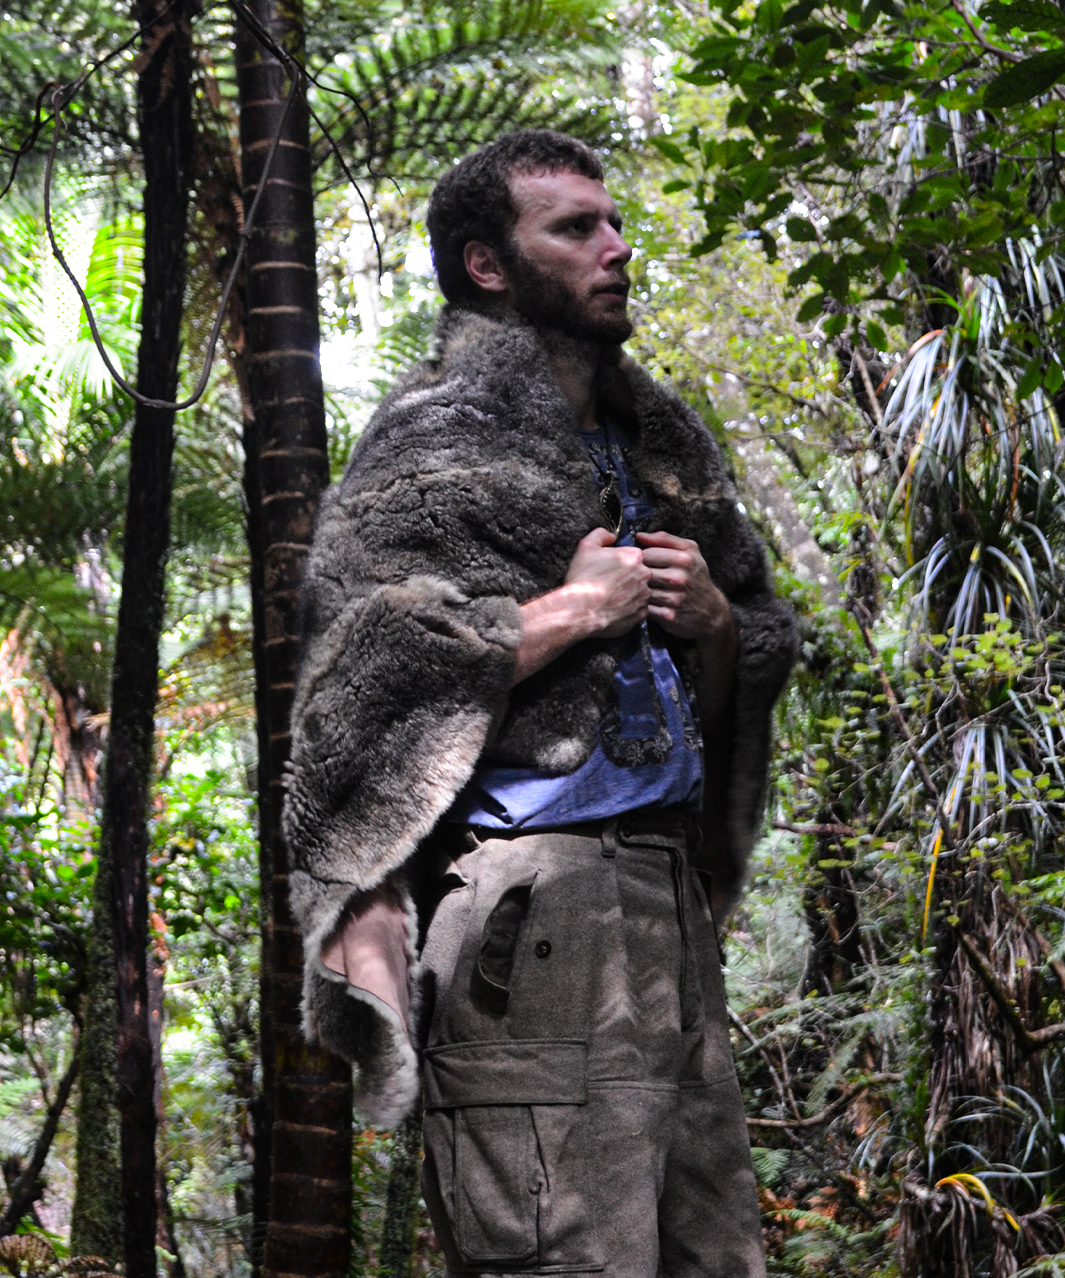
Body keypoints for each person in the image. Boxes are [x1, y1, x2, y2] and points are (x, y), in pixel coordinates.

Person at [282, 129, 797, 1278]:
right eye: (575, 228)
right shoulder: (429, 440)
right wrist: (569, 612)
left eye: (615, 223)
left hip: (666, 899)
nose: (617, 247)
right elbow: (361, 686)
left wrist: (718, 625)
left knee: (716, 1258)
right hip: (527, 908)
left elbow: (742, 669)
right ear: (488, 265)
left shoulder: (658, 446)